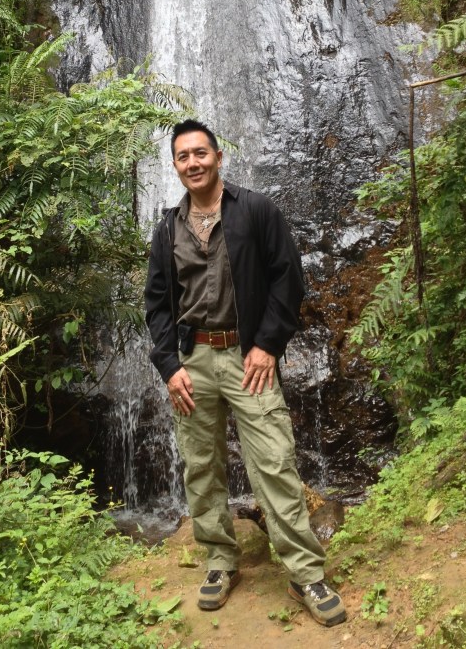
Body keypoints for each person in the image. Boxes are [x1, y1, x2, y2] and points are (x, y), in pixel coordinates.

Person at [144, 119, 346, 628]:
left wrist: (267, 346)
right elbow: (157, 304)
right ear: (175, 165)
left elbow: (288, 278)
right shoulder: (167, 227)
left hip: (247, 357)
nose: (193, 163)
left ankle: (305, 573)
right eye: (183, 156)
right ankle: (219, 560)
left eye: (201, 153)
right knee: (201, 465)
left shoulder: (255, 210)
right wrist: (169, 366)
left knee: (274, 461)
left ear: (218, 157)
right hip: (192, 362)